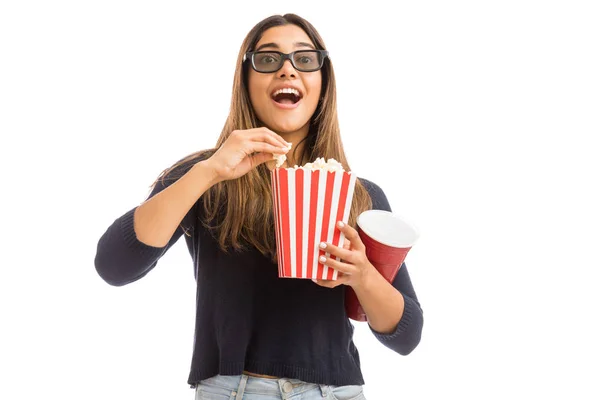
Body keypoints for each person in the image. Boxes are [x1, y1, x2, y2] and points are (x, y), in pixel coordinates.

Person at [94, 13, 423, 400]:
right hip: (233, 390)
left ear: (323, 82)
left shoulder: (358, 194)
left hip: (338, 391)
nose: (287, 70)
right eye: (268, 59)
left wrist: (362, 275)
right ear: (246, 80)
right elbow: (114, 265)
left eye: (304, 59)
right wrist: (210, 171)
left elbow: (406, 336)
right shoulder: (206, 176)